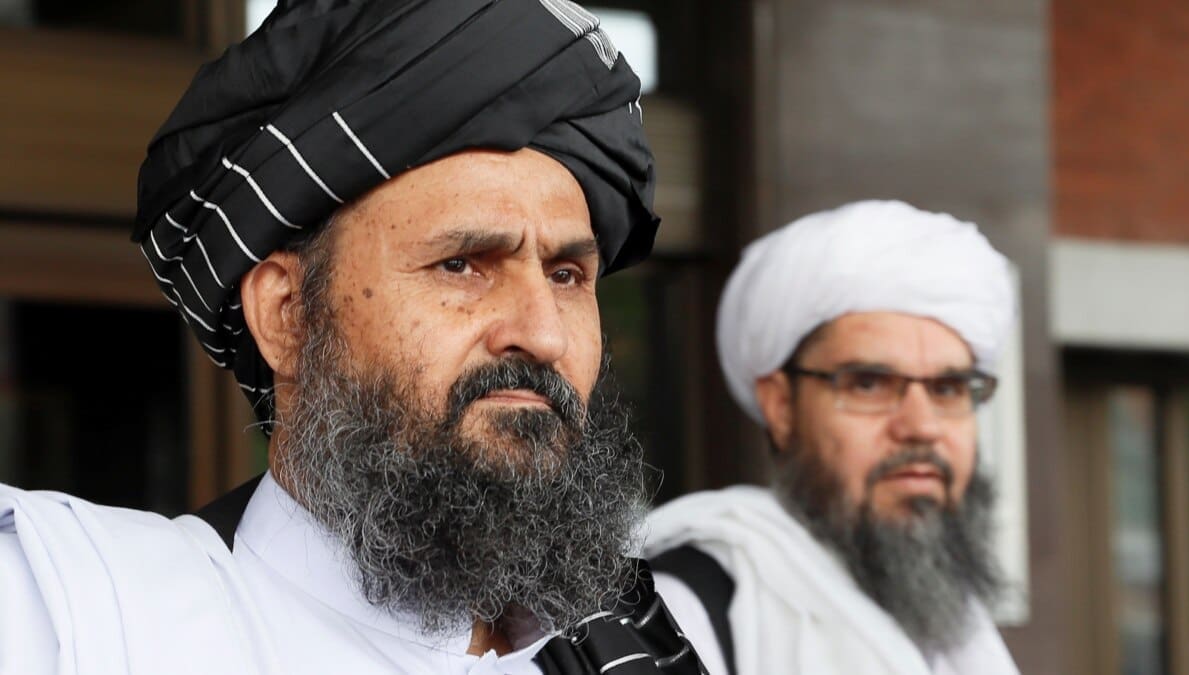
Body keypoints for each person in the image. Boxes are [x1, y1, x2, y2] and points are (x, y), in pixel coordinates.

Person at [0, 2, 707, 673]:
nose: (544, 334)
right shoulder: (78, 617)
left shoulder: (645, 640)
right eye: (461, 264)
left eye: (566, 275)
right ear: (287, 314)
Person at [645, 200, 1022, 675]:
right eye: (869, 384)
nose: (922, 427)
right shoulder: (682, 614)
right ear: (781, 405)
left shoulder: (953, 622)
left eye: (948, 389)